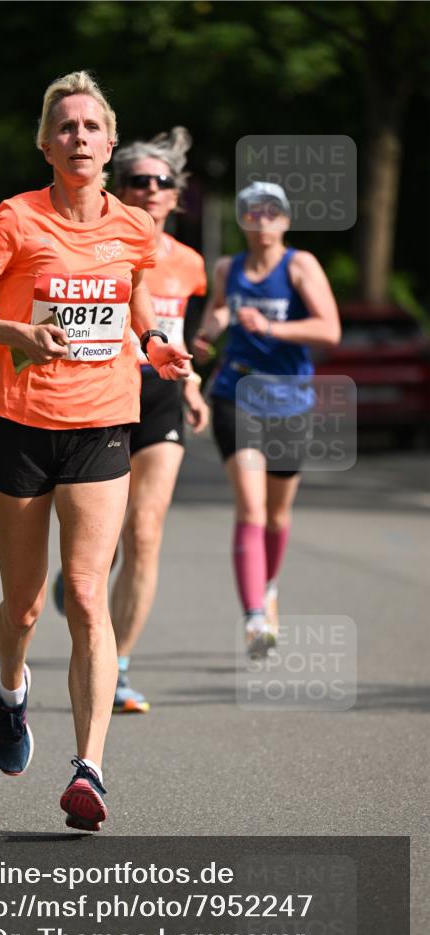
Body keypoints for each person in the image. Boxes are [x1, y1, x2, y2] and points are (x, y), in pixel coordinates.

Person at [0, 71, 191, 831]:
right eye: (66, 128)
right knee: (24, 606)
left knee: (84, 593)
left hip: (102, 423)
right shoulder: (16, 219)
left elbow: (135, 300)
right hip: (18, 421)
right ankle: (11, 692)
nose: (79, 139)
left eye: (91, 128)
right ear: (46, 145)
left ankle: (89, 769)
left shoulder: (133, 229)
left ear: (110, 144)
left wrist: (154, 344)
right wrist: (14, 331)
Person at [53, 127, 209, 713]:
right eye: (137, 180)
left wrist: (193, 383)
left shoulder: (190, 264)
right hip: (105, 394)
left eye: (160, 182)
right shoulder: (103, 244)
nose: (149, 189)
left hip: (162, 398)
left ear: (175, 195)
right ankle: (83, 582)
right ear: (121, 187)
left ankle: (116, 667)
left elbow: (180, 335)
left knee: (145, 532)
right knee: (103, 545)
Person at [193, 182, 340, 657]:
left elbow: (329, 329)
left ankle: (269, 586)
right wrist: (206, 334)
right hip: (236, 392)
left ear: (285, 220)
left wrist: (272, 327)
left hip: (290, 400)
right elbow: (219, 308)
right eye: (251, 212)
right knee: (252, 508)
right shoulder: (227, 268)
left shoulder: (300, 265)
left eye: (270, 211)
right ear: (242, 220)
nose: (261, 219)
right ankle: (255, 617)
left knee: (277, 514)